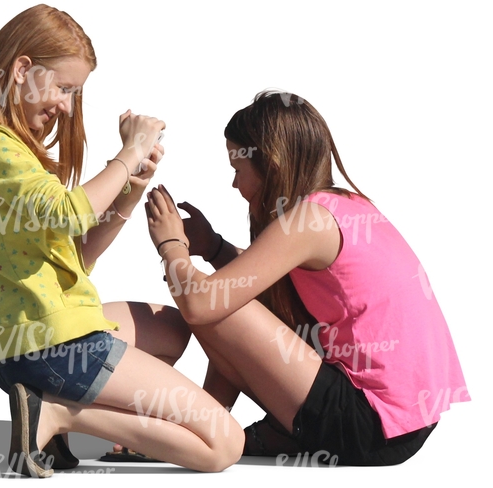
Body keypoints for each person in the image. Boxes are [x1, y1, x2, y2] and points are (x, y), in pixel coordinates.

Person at [0, 4, 243, 477]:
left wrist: (131, 185)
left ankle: (55, 415)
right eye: (63, 88)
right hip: (47, 345)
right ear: (21, 69)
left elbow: (78, 255)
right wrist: (128, 152)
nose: (64, 104)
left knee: (173, 329)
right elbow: (68, 212)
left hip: (34, 334)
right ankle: (57, 415)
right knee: (224, 444)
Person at [144, 90, 469, 466]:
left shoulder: (307, 221)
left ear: (273, 165)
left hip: (371, 424)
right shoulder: (343, 207)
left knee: (214, 304)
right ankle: (204, 426)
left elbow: (202, 305)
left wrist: (170, 244)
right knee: (229, 300)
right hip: (404, 422)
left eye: (238, 170)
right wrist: (215, 248)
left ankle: (198, 428)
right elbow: (260, 284)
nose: (234, 185)